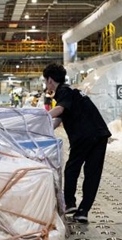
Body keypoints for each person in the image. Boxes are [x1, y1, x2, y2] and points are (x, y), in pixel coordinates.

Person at [43, 63, 111, 223]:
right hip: (100, 134)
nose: (46, 85)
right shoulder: (72, 92)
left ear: (51, 80)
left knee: (72, 169)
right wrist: (42, 132)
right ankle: (82, 211)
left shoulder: (64, 91)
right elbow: (59, 120)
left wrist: (38, 116)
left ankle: (70, 203)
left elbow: (59, 111)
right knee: (92, 173)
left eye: (46, 81)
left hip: (85, 135)